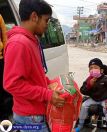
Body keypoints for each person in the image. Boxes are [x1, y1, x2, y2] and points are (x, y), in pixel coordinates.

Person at [3, 0, 65, 131]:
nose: (47, 25)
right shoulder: (19, 43)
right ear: (34, 17)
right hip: (30, 117)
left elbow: (34, 74)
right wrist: (47, 95)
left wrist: (49, 83)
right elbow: (12, 84)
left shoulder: (31, 40)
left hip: (36, 113)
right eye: (46, 20)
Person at [74, 58, 107, 132]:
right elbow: (82, 90)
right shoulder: (89, 79)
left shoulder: (106, 79)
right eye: (91, 68)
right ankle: (80, 125)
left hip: (105, 99)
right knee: (84, 105)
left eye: (95, 68)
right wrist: (89, 85)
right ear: (89, 71)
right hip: (94, 99)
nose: (93, 69)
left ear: (101, 70)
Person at [0, 14, 13, 121]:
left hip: (0, 59)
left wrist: (5, 56)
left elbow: (5, 36)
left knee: (3, 90)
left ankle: (4, 116)